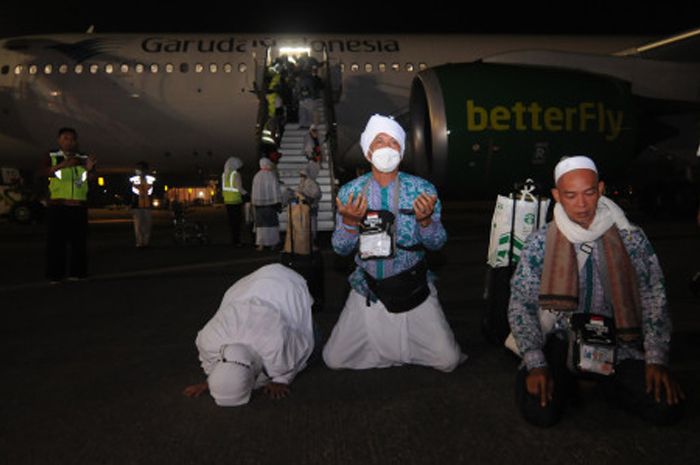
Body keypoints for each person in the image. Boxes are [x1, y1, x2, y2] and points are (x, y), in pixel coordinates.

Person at [508, 155, 685, 427]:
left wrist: (656, 358)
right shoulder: (541, 242)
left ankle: (599, 384)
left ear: (600, 189)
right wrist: (536, 362)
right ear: (556, 195)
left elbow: (653, 297)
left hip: (618, 342)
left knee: (667, 407)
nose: (581, 204)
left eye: (589, 193)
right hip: (561, 340)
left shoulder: (630, 238)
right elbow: (521, 303)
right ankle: (573, 381)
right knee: (541, 412)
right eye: (570, 195)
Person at [322, 114, 464, 372]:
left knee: (448, 360)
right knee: (334, 359)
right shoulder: (350, 193)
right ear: (367, 152)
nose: (387, 148)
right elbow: (340, 248)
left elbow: (437, 243)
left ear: (401, 152)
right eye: (379, 141)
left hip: (411, 284)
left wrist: (425, 222)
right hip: (367, 287)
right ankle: (387, 352)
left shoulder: (424, 191)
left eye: (394, 143)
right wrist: (350, 223)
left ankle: (396, 350)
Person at [183, 264, 315, 406]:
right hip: (246, 289)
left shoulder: (275, 346)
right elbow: (224, 367)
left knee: (313, 343)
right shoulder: (208, 341)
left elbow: (301, 349)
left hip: (285, 286)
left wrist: (281, 380)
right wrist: (215, 382)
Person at [42, 127, 97, 283]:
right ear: (59, 140)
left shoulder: (83, 157)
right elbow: (43, 172)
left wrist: (89, 169)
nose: (69, 141)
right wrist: (63, 165)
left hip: (78, 206)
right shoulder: (52, 155)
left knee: (79, 242)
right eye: (65, 138)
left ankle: (77, 273)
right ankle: (55, 275)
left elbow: (85, 180)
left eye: (72, 139)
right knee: (55, 243)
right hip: (58, 206)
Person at [251, 157, 283, 251]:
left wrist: (254, 202)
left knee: (260, 226)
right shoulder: (271, 175)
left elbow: (254, 191)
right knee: (272, 224)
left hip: (259, 205)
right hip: (271, 204)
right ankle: (273, 244)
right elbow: (276, 189)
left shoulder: (256, 176)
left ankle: (261, 244)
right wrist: (278, 201)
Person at [128, 161, 156, 248]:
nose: (137, 171)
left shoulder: (150, 179)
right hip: (138, 206)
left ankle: (145, 242)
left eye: (139, 169)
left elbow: (151, 192)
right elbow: (132, 193)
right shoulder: (134, 179)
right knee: (139, 225)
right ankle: (140, 243)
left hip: (146, 206)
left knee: (146, 225)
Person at [221, 156, 247, 247]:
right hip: (236, 201)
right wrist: (247, 195)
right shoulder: (235, 174)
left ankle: (234, 241)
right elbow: (239, 188)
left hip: (227, 202)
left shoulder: (224, 174)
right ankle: (237, 241)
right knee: (237, 222)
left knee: (232, 222)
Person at [295, 162, 322, 245]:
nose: (301, 177)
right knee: (310, 222)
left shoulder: (310, 182)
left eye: (302, 175)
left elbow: (316, 194)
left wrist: (305, 195)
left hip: (311, 205)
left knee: (312, 222)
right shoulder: (305, 182)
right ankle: (310, 238)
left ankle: (313, 238)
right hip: (307, 205)